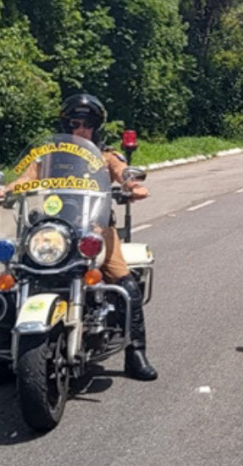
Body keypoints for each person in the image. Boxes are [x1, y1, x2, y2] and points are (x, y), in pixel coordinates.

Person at [0, 94, 157, 380]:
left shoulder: (105, 155)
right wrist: (8, 188)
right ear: (66, 124)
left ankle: (136, 354)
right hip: (52, 228)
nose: (80, 129)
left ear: (96, 127)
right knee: (11, 278)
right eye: (75, 123)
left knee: (126, 284)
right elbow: (26, 177)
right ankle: (5, 353)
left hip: (94, 228)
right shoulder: (48, 155)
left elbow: (122, 173)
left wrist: (131, 186)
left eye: (87, 124)